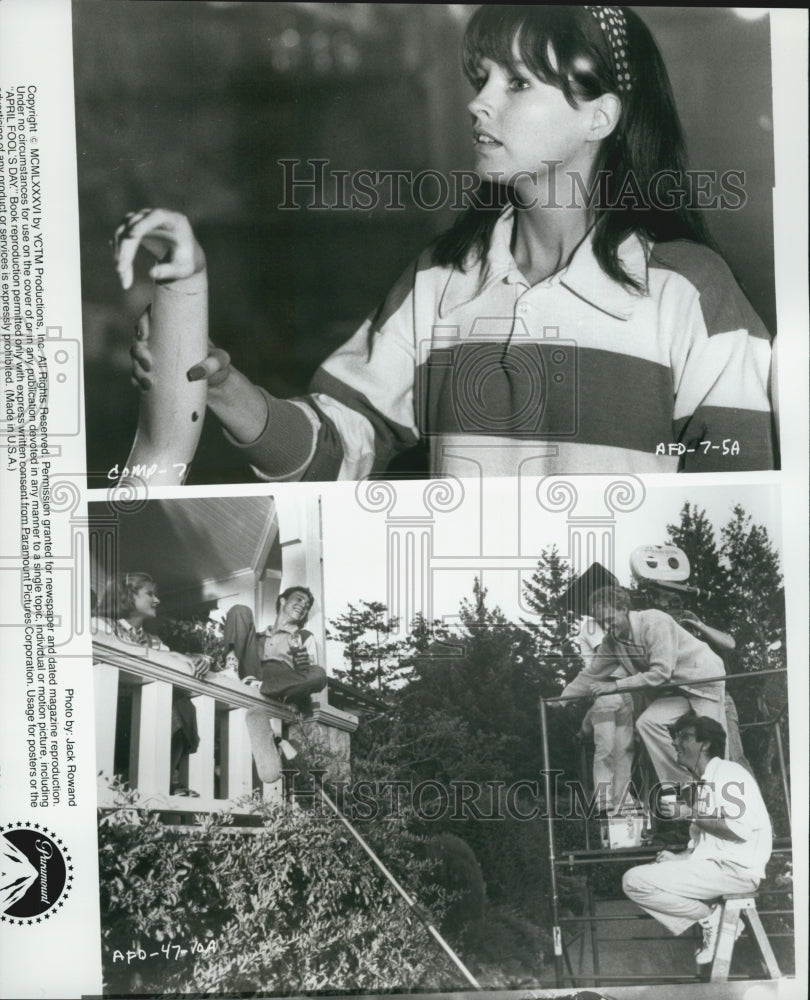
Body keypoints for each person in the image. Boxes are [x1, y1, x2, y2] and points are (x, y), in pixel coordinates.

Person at [118, 5, 775, 481]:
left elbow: (742, 508)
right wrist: (224, 385)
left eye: (516, 83)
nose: (478, 103)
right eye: (480, 78)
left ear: (598, 116)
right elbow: (335, 451)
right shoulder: (438, 282)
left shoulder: (693, 292)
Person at [622, 713, 772, 966]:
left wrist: (687, 813)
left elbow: (739, 830)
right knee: (651, 872)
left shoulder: (728, 772)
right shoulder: (703, 784)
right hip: (720, 867)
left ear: (706, 744)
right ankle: (714, 920)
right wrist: (678, 858)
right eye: (676, 737)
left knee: (634, 881)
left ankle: (713, 920)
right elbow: (706, 846)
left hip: (736, 871)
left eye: (685, 737)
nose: (675, 743)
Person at [585, 586, 726, 784]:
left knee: (710, 744)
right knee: (648, 723)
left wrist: (615, 686)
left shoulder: (654, 620)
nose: (607, 626)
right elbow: (590, 674)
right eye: (602, 623)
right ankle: (683, 782)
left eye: (610, 619)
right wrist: (560, 700)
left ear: (624, 609)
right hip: (679, 688)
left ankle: (719, 795)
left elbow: (660, 672)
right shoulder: (613, 641)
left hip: (703, 682)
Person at [105, 572, 211, 797]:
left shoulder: (154, 640)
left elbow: (170, 657)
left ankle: (168, 778)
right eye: (150, 594)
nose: (157, 600)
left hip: (144, 715)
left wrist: (187, 657)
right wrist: (173, 655)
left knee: (182, 704)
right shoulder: (102, 626)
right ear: (127, 596)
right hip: (112, 714)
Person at [551, 618, 637, 816]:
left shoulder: (615, 625)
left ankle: (622, 798)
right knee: (605, 746)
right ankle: (603, 798)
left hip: (624, 688)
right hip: (603, 689)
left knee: (625, 749)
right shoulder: (591, 625)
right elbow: (604, 656)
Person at [223, 585, 327, 710]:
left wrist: (301, 663)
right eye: (299, 599)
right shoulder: (256, 637)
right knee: (240, 610)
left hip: (279, 681)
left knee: (319, 674)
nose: (303, 605)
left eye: (307, 606)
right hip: (250, 674)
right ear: (283, 600)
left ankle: (261, 687)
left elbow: (308, 674)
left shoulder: (304, 636)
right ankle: (231, 669)